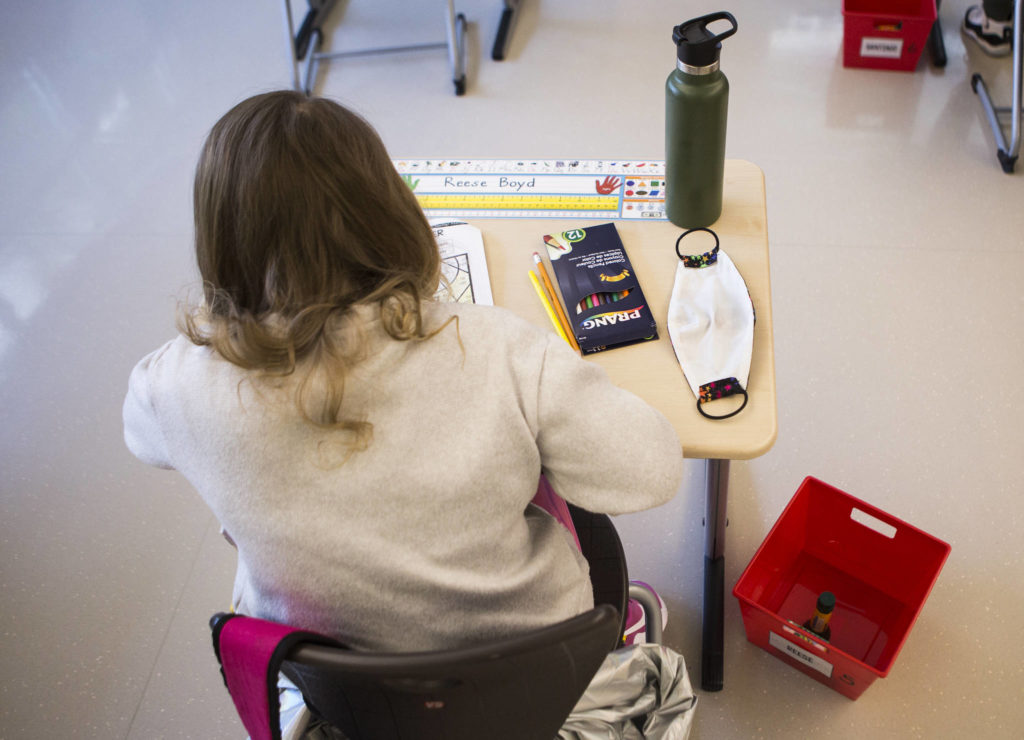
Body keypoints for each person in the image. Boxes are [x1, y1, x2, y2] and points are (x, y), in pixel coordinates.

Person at [122, 90, 684, 661]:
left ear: (220, 238)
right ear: (388, 210)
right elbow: (653, 471)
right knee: (583, 509)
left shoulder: (172, 385)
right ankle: (620, 625)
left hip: (334, 677)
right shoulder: (499, 347)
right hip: (529, 664)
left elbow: (139, 438)